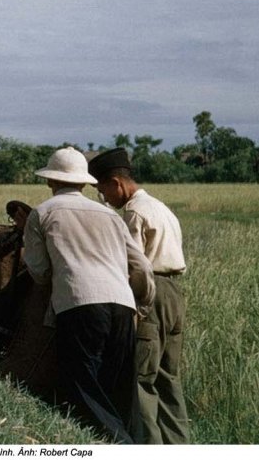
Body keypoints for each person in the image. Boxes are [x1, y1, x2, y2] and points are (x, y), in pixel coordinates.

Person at [21, 147, 154, 444]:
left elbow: (39, 271)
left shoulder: (42, 213)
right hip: (123, 303)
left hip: (79, 303)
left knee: (82, 384)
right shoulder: (110, 215)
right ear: (83, 182)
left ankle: (121, 444)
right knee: (119, 388)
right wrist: (141, 302)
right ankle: (128, 441)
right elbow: (142, 265)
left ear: (49, 182)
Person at [90, 147, 190, 444]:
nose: (105, 198)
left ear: (116, 183)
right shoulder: (160, 207)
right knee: (169, 378)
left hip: (153, 294)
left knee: (142, 380)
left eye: (103, 191)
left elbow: (135, 265)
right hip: (174, 294)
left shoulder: (134, 212)